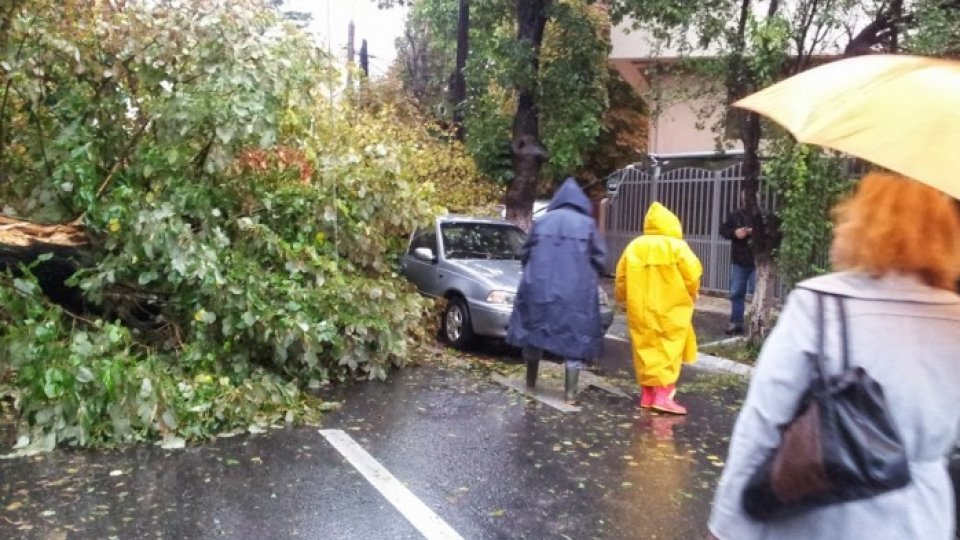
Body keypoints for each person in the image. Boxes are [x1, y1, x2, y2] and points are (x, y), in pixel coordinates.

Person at [708, 172, 960, 539]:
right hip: (922, 518)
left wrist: (726, 527)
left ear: (862, 223)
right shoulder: (954, 317)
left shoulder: (821, 304)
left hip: (823, 513)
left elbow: (762, 423)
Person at [507, 177, 607, 404]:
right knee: (574, 341)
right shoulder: (587, 224)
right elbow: (600, 260)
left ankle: (530, 381)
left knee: (534, 335)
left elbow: (525, 253)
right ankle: (570, 394)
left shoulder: (542, 222)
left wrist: (532, 275)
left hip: (538, 290)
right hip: (575, 294)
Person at [615, 202, 702, 415]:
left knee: (644, 348)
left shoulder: (634, 246)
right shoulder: (676, 246)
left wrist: (623, 299)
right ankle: (663, 397)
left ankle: (647, 395)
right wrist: (693, 293)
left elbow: (621, 277)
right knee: (668, 350)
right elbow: (692, 274)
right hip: (671, 307)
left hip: (640, 307)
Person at [719, 191, 758, 335]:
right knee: (736, 293)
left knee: (758, 294)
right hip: (739, 261)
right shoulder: (735, 215)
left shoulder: (763, 215)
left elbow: (773, 232)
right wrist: (735, 233)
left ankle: (758, 325)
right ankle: (736, 323)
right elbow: (723, 230)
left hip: (758, 261)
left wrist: (757, 232)